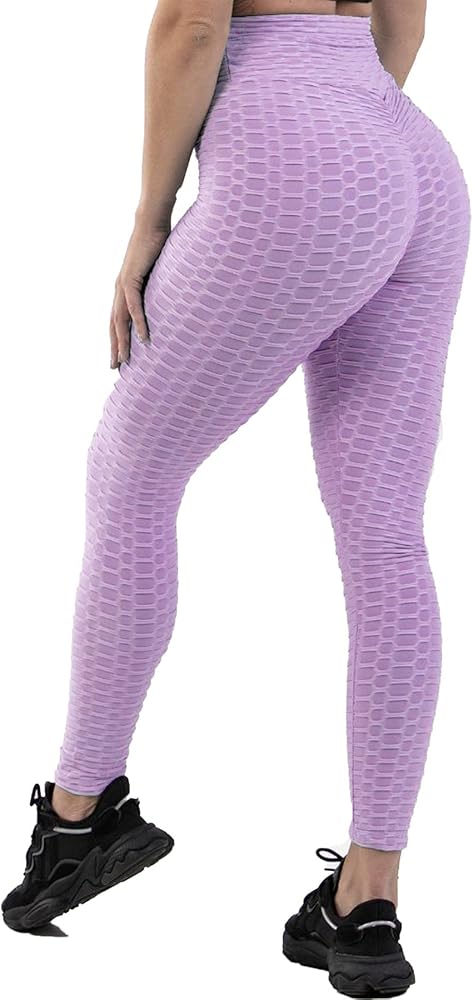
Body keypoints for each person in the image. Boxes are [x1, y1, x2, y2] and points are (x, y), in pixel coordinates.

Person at [2, 0, 469, 993]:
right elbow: (404, 21)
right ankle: (366, 901)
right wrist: (353, 141)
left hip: (290, 140)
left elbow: (191, 25)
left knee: (130, 471)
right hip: (408, 152)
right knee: (386, 534)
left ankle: (80, 816)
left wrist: (148, 220)